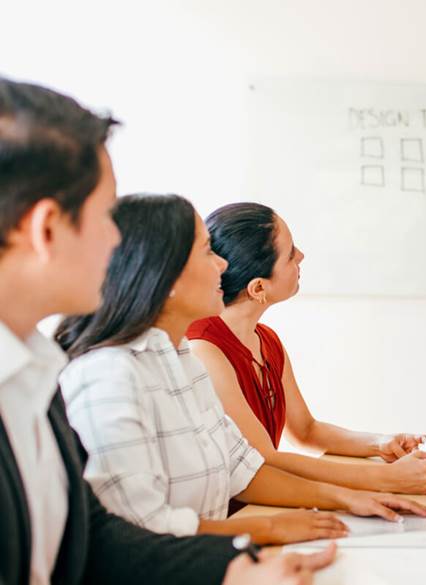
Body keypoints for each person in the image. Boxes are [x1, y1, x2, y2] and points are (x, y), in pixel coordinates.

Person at [0, 76, 327, 584]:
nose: (120, 240)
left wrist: (237, 567)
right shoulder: (92, 373)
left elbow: (92, 535)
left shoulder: (35, 376)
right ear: (45, 229)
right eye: (106, 215)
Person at [56, 193, 426, 546]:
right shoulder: (111, 377)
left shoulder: (182, 360)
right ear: (165, 279)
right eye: (206, 252)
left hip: (207, 557)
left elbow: (245, 467)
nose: (221, 265)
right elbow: (142, 531)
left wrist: (350, 498)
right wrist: (267, 527)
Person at [187, 202, 426, 494]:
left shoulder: (266, 339)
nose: (301, 256)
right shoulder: (205, 350)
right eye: (289, 255)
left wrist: (380, 443)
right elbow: (264, 461)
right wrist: (385, 478)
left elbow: (305, 431)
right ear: (258, 288)